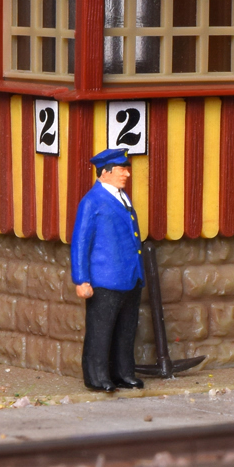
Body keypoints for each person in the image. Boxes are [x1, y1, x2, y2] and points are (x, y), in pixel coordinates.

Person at [70, 146, 145, 392]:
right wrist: (81, 279)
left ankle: (123, 372)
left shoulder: (123, 197)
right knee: (101, 330)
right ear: (105, 172)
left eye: (126, 169)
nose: (127, 174)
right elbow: (80, 242)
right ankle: (96, 376)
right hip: (105, 278)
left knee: (126, 328)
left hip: (130, 276)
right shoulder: (92, 202)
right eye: (122, 169)